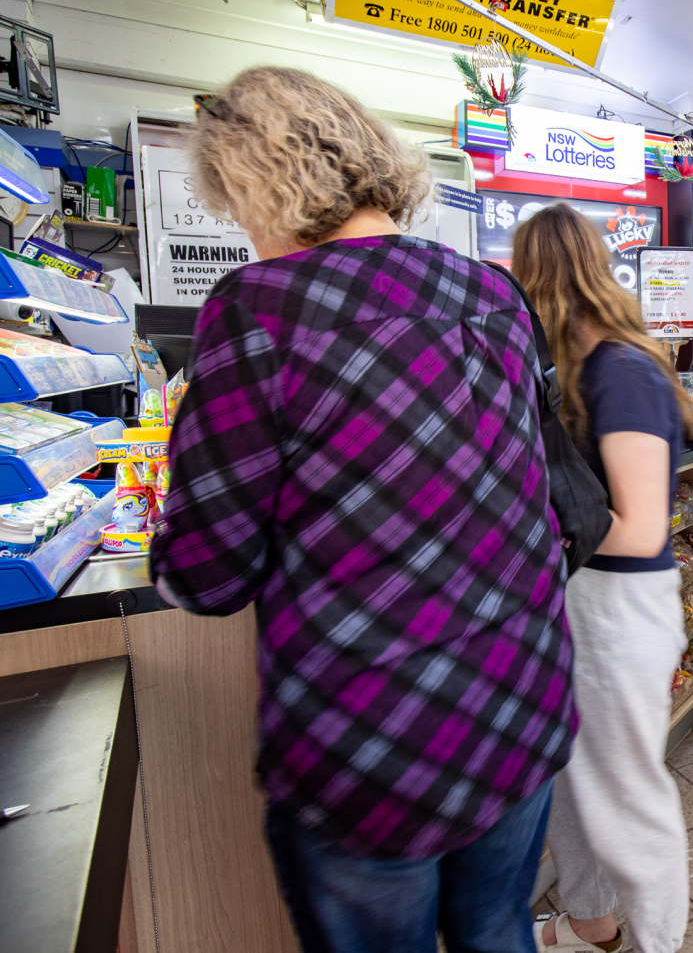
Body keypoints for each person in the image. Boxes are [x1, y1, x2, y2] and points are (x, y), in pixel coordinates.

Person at [149, 67, 573, 953]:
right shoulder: (492, 293)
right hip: (519, 700)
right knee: (498, 927)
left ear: (254, 180)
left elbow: (208, 573)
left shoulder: (259, 309)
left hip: (373, 738)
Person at [511, 205, 693, 953]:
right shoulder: (581, 372)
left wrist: (528, 536)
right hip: (587, 602)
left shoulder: (620, 373)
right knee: (572, 779)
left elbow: (641, 526)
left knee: (627, 798)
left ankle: (660, 943)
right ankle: (593, 920)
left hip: (620, 607)